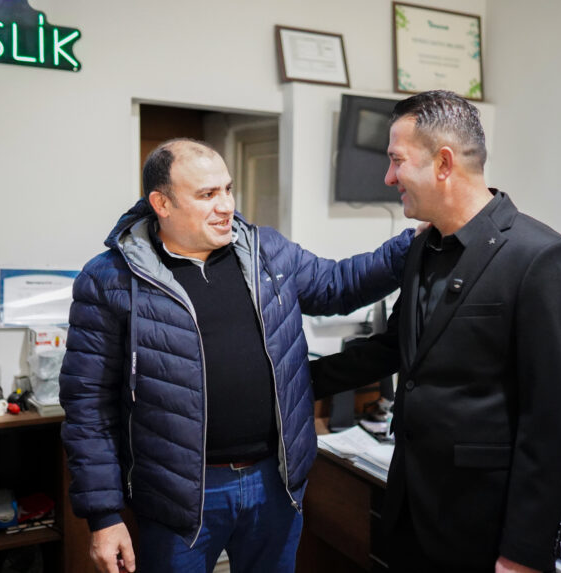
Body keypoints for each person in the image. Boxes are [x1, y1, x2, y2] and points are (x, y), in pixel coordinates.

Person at [59, 138, 413, 573]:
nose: (226, 205)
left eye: (227, 189)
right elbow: (88, 405)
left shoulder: (266, 252)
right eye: (207, 194)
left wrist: (411, 243)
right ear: (162, 204)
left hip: (274, 482)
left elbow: (339, 285)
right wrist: (103, 516)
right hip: (178, 496)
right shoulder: (110, 278)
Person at [311, 90, 561, 572]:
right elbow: (392, 348)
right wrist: (290, 380)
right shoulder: (424, 248)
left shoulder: (541, 258)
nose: (388, 177)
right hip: (412, 513)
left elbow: (554, 421)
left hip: (485, 527)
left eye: (397, 161)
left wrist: (523, 552)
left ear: (442, 163)